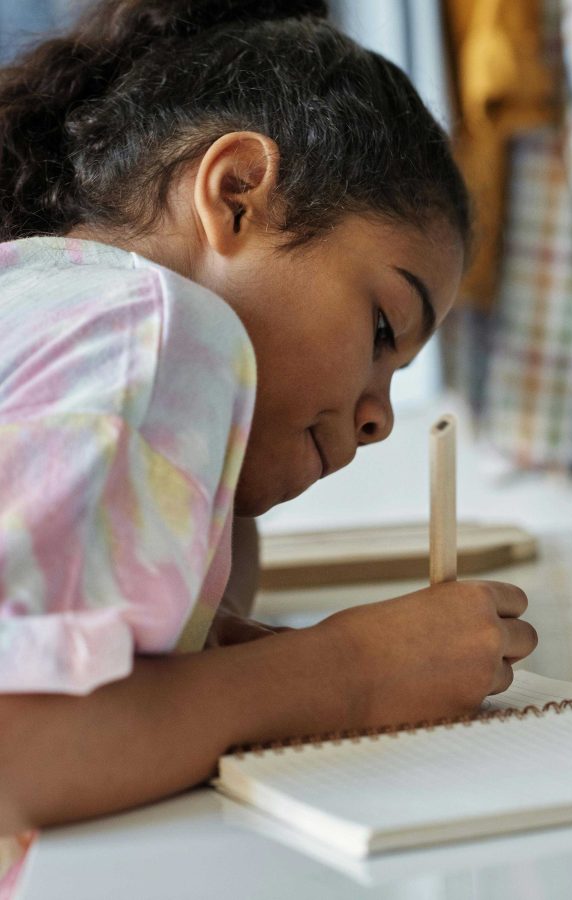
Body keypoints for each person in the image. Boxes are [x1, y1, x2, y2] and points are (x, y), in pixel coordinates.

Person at [0, 0, 538, 835]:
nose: (379, 419)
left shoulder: (49, 303)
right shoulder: (158, 325)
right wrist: (347, 671)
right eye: (384, 329)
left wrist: (222, 640)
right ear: (238, 193)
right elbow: (18, 749)